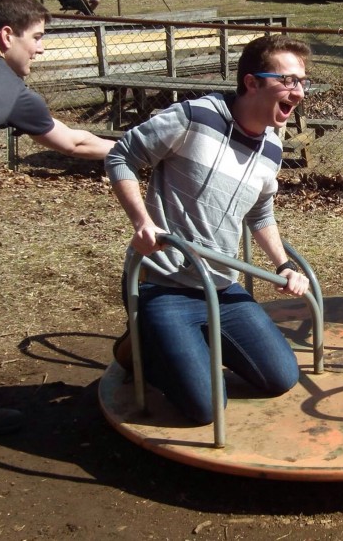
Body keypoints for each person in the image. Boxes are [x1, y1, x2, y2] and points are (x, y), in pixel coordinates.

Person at [105, 34, 312, 425]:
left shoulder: (271, 148)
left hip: (220, 285)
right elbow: (121, 156)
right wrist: (142, 221)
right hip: (163, 284)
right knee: (206, 408)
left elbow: (260, 213)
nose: (297, 91)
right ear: (251, 82)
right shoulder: (194, 117)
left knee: (280, 377)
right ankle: (141, 346)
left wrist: (283, 264)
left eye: (302, 82)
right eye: (288, 80)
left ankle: (186, 346)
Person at [0, 0, 116, 436]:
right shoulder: (9, 90)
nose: (42, 49)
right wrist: (144, 148)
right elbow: (75, 142)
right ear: (7, 35)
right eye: (38, 37)